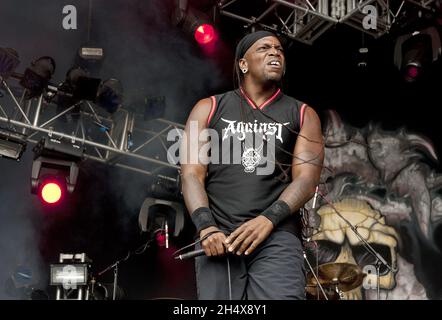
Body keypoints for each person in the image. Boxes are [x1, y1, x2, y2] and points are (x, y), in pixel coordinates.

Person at [180, 30, 324, 300]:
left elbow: (306, 180)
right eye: (264, 48)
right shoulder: (208, 108)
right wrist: (206, 226)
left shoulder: (303, 113)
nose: (274, 52)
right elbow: (191, 174)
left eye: (279, 49)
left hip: (277, 236)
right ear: (243, 64)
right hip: (218, 235)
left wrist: (268, 219)